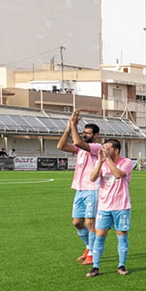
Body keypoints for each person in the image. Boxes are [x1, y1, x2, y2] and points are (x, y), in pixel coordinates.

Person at [56, 110, 101, 265]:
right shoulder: (80, 148)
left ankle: (93, 254)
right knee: (77, 222)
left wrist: (74, 125)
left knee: (90, 222)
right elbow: (61, 145)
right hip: (80, 189)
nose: (85, 135)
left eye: (88, 133)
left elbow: (78, 142)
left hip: (93, 189)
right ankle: (88, 247)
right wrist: (69, 128)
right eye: (84, 132)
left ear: (95, 135)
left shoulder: (96, 147)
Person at [86, 139, 132, 277]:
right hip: (104, 206)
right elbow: (92, 178)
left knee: (121, 235)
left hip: (121, 206)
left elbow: (118, 175)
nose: (103, 150)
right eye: (103, 147)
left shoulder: (126, 162)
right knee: (99, 236)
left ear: (116, 151)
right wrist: (100, 162)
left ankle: (121, 265)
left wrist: (108, 160)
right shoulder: (102, 163)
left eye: (107, 148)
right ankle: (95, 266)